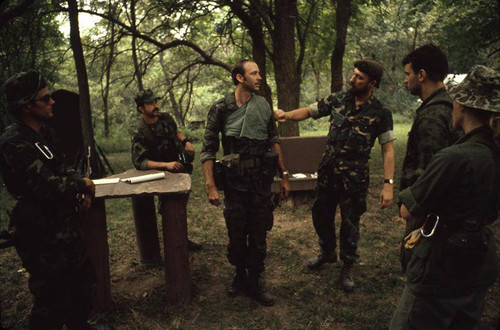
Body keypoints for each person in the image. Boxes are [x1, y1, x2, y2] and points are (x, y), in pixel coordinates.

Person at [389, 65, 500, 329]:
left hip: (441, 267)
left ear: (462, 106)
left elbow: (408, 210)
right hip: (479, 260)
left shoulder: (453, 157)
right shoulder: (494, 153)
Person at [274, 60, 395, 292]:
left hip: (354, 178)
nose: (352, 79)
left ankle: (347, 265)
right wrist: (286, 116)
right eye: (353, 74)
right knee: (320, 214)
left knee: (350, 223)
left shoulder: (381, 112)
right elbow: (309, 112)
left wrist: (388, 184)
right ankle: (327, 252)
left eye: (359, 77)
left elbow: (388, 149)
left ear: (372, 83)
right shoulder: (338, 99)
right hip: (328, 173)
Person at [0, 70, 96, 329]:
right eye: (45, 99)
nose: (53, 101)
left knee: (83, 281)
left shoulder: (45, 134)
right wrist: (82, 184)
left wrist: (80, 187)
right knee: (53, 298)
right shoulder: (14, 143)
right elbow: (48, 186)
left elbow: (63, 169)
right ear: (27, 107)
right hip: (39, 232)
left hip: (64, 225)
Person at [201, 59, 290, 306]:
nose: (259, 77)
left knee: (259, 232)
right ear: (240, 78)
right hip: (235, 185)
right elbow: (208, 149)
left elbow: (274, 141)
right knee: (237, 233)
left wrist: (283, 175)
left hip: (261, 183)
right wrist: (210, 184)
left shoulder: (263, 105)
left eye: (259, 72)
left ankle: (255, 279)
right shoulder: (221, 108)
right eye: (254, 73)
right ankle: (239, 274)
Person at [399, 44, 461, 271]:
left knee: (418, 268)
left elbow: (430, 174)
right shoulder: (450, 106)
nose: (406, 80)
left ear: (421, 75)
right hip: (447, 215)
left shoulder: (433, 116)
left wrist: (412, 208)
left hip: (429, 216)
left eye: (408, 74)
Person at [131, 89, 201, 251]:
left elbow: (176, 131)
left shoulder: (165, 118)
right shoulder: (140, 131)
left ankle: (181, 238)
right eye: (150, 103)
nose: (156, 106)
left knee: (179, 205)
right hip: (161, 174)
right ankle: (174, 242)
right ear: (141, 108)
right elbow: (139, 161)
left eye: (156, 102)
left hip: (179, 168)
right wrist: (166, 165)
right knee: (170, 208)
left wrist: (186, 142)